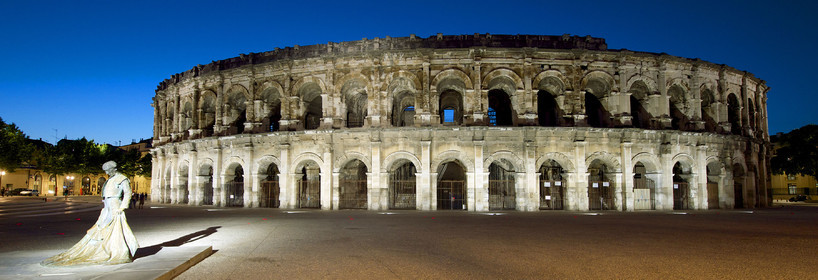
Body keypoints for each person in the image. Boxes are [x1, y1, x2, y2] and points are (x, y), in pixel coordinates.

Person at [42, 161, 139, 266]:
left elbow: (128, 192)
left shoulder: (122, 178)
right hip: (107, 205)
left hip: (115, 204)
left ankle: (117, 249)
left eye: (107, 170)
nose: (106, 173)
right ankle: (105, 246)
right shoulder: (111, 179)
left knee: (116, 228)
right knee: (102, 226)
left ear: (113, 168)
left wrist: (123, 206)